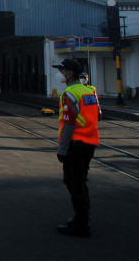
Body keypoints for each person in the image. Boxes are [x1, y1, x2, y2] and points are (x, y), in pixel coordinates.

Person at [53, 58, 99, 237]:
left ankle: (81, 223)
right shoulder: (90, 91)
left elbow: (68, 124)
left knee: (73, 182)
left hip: (75, 143)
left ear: (70, 72)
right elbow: (98, 115)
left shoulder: (70, 94)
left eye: (63, 70)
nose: (61, 74)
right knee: (79, 180)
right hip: (90, 142)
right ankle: (83, 216)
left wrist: (62, 150)